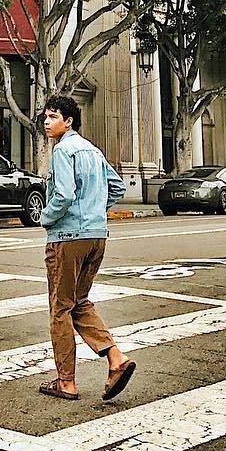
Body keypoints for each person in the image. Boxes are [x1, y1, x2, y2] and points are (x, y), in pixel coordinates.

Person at [37, 94, 136, 403]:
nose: (46, 122)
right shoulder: (92, 150)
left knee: (60, 309)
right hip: (97, 236)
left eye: (53, 117)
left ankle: (66, 382)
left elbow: (64, 194)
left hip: (68, 237)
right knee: (79, 302)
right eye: (45, 116)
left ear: (68, 121)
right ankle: (116, 359)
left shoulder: (63, 150)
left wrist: (45, 217)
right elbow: (117, 186)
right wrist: (94, 210)